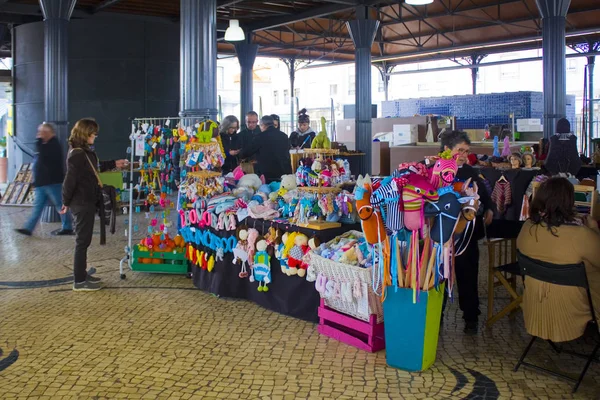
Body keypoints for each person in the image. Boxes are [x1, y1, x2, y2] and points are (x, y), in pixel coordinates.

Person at [517, 177, 600, 342]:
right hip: (571, 310)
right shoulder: (580, 236)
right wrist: (594, 228)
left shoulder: (527, 228)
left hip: (536, 306)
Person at [61, 118, 127, 291]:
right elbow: (70, 180)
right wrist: (65, 202)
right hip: (81, 202)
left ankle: (82, 275)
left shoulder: (84, 151)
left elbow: (94, 167)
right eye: (94, 133)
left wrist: (114, 163)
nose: (95, 137)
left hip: (86, 200)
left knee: (85, 240)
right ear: (86, 133)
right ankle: (79, 281)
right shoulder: (77, 153)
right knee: (82, 241)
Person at [439, 130, 494, 334]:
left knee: (468, 273)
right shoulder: (434, 170)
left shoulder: (470, 172)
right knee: (439, 275)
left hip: (468, 234)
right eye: (460, 150)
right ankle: (437, 313)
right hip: (441, 234)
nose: (464, 154)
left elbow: (485, 195)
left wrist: (489, 208)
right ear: (446, 150)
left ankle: (471, 316)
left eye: (466, 151)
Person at [16, 123, 73, 237]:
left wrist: (38, 142)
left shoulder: (53, 145)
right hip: (42, 183)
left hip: (53, 182)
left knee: (60, 204)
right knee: (38, 207)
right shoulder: (44, 144)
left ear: (48, 133)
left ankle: (67, 227)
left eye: (42, 132)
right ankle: (28, 228)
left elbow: (45, 158)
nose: (39, 134)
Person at [240, 115, 292, 183]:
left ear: (262, 125)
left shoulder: (260, 137)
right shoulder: (284, 136)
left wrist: (240, 153)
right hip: (284, 173)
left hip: (267, 175)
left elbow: (246, 153)